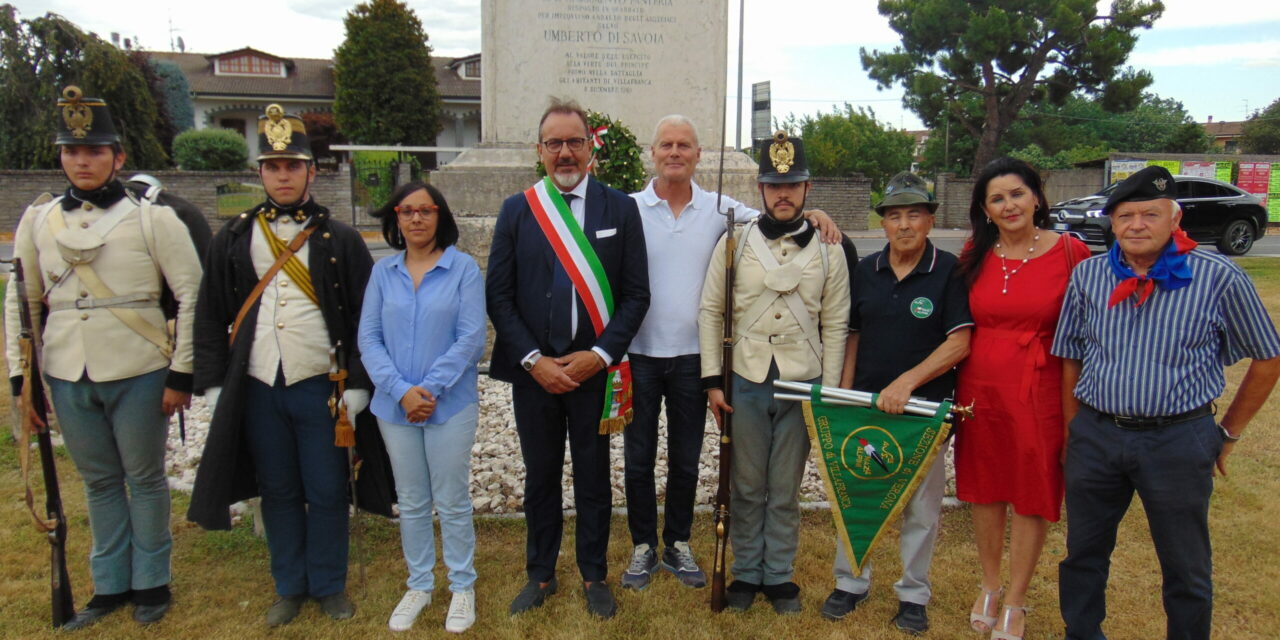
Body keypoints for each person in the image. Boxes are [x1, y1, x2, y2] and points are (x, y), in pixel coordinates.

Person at [1052, 165, 1280, 640]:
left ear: (1174, 219)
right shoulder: (1090, 276)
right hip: (1097, 434)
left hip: (1178, 439)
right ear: (1112, 223)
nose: (1136, 225)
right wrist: (1076, 429)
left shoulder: (1218, 277)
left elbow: (1267, 357)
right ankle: (1082, 633)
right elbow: (1070, 354)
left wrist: (1228, 434)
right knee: (1083, 555)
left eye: (1149, 214)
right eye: (1125, 215)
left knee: (1185, 565)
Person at [621, 115, 848, 591]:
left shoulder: (725, 211)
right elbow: (709, 306)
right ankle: (660, 550)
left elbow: (830, 314)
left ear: (699, 154)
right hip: (652, 356)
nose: (676, 152)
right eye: (667, 144)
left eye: (685, 144)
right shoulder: (631, 210)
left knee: (706, 464)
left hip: (733, 366)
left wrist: (822, 217)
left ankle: (720, 555)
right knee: (647, 459)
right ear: (654, 151)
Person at [4, 86, 203, 629]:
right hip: (68, 369)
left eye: (94, 151)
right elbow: (22, 302)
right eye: (72, 151)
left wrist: (182, 370)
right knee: (97, 481)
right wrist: (23, 377)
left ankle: (152, 581)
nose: (82, 161)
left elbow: (191, 294)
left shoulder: (152, 219)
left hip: (138, 364)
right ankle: (109, 584)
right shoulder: (39, 221)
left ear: (117, 157)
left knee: (144, 477)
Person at [188, 104, 393, 626]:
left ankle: (328, 584)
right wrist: (213, 384)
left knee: (326, 488)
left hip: (321, 385)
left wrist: (360, 384)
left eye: (293, 166)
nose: (283, 175)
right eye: (274, 167)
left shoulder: (341, 239)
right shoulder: (231, 237)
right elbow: (211, 313)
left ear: (311, 172)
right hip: (257, 384)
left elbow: (369, 319)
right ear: (260, 172)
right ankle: (289, 584)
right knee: (275, 488)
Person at [486, 97, 650, 619]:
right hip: (536, 375)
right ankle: (540, 573)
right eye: (554, 143)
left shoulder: (619, 208)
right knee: (540, 477)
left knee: (594, 476)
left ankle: (594, 572)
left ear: (590, 148)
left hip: (593, 374)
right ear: (540, 150)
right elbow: (500, 296)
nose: (564, 152)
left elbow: (636, 295)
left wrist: (599, 356)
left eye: (574, 142)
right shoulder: (518, 209)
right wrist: (535, 360)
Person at [700, 131, 850, 615]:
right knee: (745, 484)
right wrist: (712, 381)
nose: (782, 193)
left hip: (801, 382)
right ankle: (746, 572)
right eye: (772, 185)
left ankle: (779, 575)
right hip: (746, 377)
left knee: (784, 487)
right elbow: (710, 313)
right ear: (761, 190)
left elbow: (836, 322)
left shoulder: (830, 249)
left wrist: (826, 390)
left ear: (807, 189)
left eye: (793, 184)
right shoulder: (735, 242)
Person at [822, 171, 973, 634]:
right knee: (858, 497)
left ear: (930, 219)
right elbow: (852, 336)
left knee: (921, 510)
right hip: (866, 408)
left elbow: (960, 342)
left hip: (924, 413)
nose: (903, 225)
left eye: (913, 215)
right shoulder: (865, 270)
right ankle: (851, 581)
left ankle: (913, 593)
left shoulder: (949, 270)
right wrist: (845, 395)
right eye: (893, 216)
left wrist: (907, 382)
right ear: (882, 223)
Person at [952, 158, 1088, 639]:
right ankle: (989, 584)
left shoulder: (1072, 252)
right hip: (980, 386)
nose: (1008, 205)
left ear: (1036, 197)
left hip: (1041, 387)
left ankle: (1016, 599)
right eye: (996, 198)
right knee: (985, 486)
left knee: (1032, 492)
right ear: (985, 210)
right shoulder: (975, 252)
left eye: (1016, 193)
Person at [358, 182, 485, 633]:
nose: (416, 219)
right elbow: (368, 338)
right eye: (406, 211)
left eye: (425, 210)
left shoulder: (463, 269)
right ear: (396, 218)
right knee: (411, 501)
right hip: (395, 409)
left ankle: (462, 586)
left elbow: (471, 338)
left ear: (440, 216)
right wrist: (400, 391)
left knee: (450, 499)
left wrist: (427, 391)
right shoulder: (383, 273)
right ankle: (419, 584)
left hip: (449, 406)